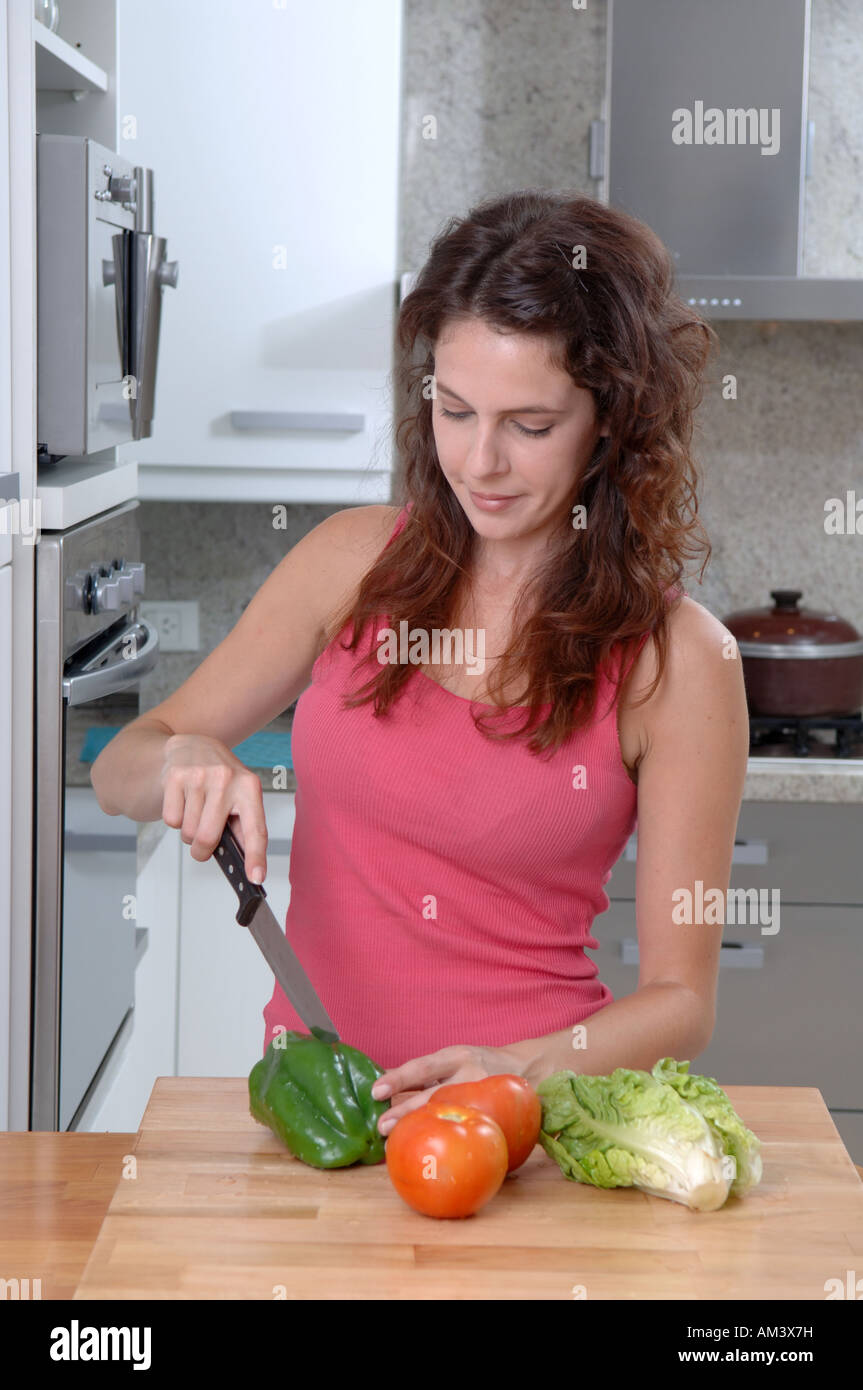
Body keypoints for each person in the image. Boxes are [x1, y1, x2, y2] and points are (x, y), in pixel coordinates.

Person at [91, 189, 749, 1140]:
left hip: (520, 1134)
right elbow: (120, 768)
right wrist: (182, 754)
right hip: (314, 1116)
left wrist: (514, 1069)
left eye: (529, 424)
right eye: (453, 409)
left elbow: (682, 999)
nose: (479, 460)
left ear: (610, 419)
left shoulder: (679, 659)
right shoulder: (351, 564)